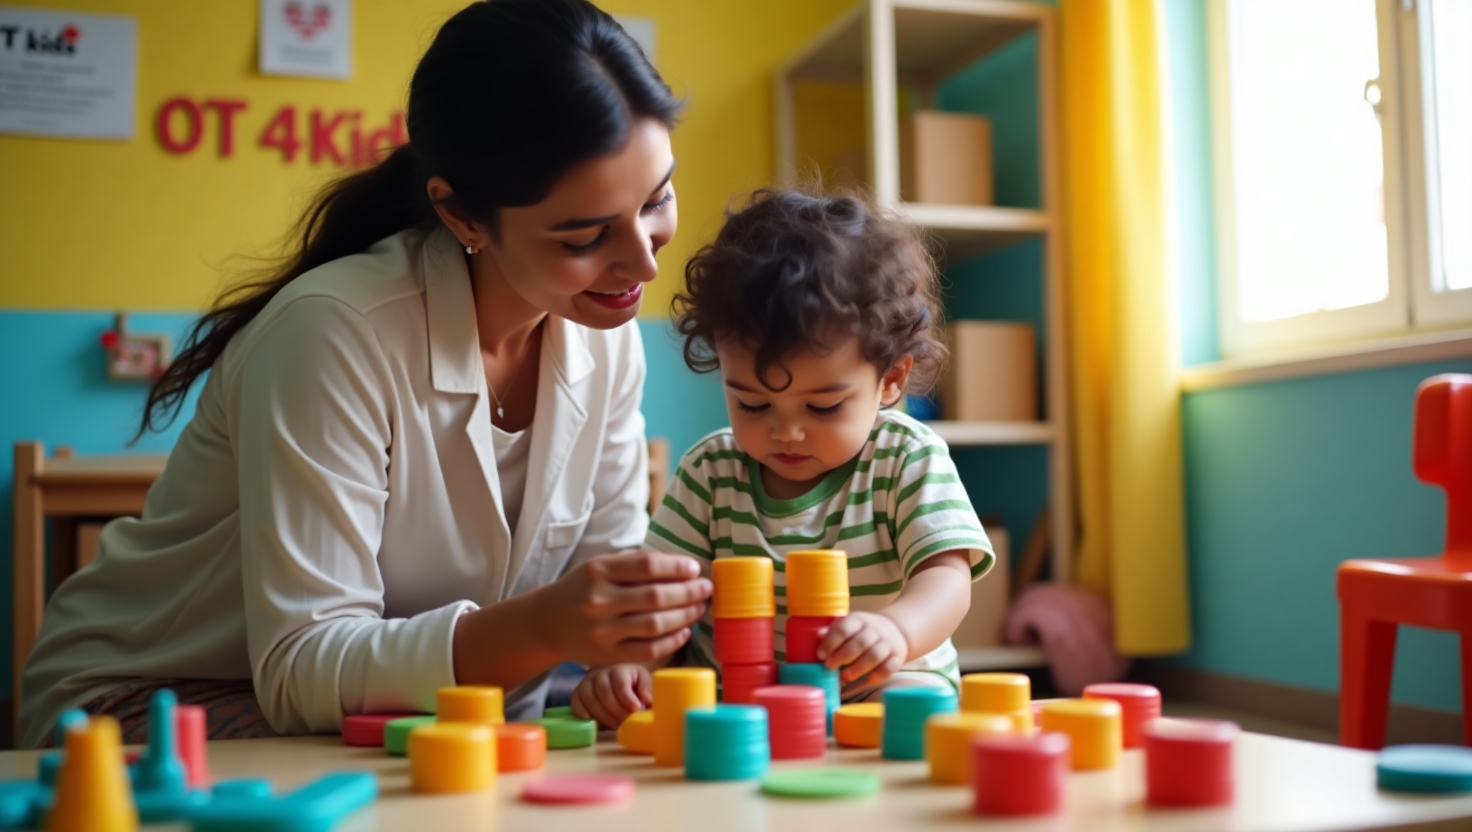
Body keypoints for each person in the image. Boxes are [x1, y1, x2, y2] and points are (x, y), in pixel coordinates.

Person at [19, 0, 713, 749]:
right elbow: (301, 666)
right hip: (151, 694)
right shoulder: (333, 332)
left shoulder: (603, 337)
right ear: (463, 218)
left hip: (411, 708)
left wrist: (631, 649)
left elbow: (605, 579)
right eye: (584, 234)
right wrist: (547, 626)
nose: (643, 260)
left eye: (658, 200)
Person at [570, 190, 994, 729]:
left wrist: (898, 631)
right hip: (736, 703)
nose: (786, 431)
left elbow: (947, 576)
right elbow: (666, 601)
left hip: (876, 680)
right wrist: (632, 667)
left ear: (890, 380)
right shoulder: (711, 472)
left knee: (907, 712)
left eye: (823, 406)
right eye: (751, 402)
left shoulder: (905, 458)